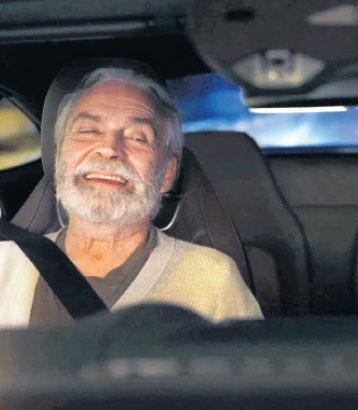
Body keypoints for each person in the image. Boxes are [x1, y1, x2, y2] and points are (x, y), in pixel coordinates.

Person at [0, 67, 262, 327]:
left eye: (137, 138)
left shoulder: (211, 279)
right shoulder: (4, 262)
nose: (109, 149)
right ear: (59, 158)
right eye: (89, 131)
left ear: (167, 173)